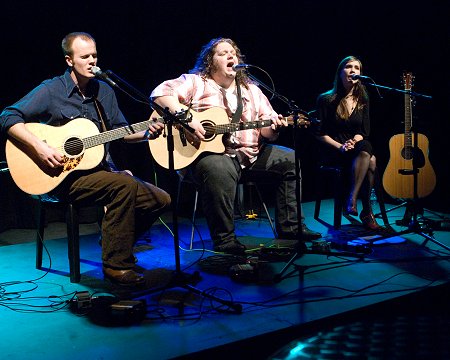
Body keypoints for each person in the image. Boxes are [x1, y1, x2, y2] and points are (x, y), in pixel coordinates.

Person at [0, 32, 171, 286]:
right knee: (124, 186)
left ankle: (114, 241)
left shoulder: (104, 92)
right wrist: (40, 148)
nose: (92, 61)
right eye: (85, 57)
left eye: (95, 55)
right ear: (70, 60)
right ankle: (116, 265)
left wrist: (147, 131)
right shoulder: (51, 90)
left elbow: (122, 131)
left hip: (100, 172)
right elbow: (7, 116)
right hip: (61, 176)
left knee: (160, 199)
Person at [150, 37, 321, 255]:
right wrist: (189, 120)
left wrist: (277, 127)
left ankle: (291, 228)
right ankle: (225, 240)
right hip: (208, 157)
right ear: (210, 61)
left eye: (233, 53)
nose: (231, 56)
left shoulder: (252, 90)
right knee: (218, 168)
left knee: (290, 159)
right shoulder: (195, 82)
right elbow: (159, 94)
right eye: (222, 53)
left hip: (249, 155)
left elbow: (267, 131)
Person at [315, 55, 381, 230]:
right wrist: (341, 146)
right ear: (340, 72)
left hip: (356, 148)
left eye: (357, 68)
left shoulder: (363, 98)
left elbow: (364, 132)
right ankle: (365, 211)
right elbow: (320, 134)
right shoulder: (326, 99)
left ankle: (352, 198)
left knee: (367, 149)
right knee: (371, 160)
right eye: (348, 67)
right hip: (334, 149)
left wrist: (354, 141)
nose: (353, 71)